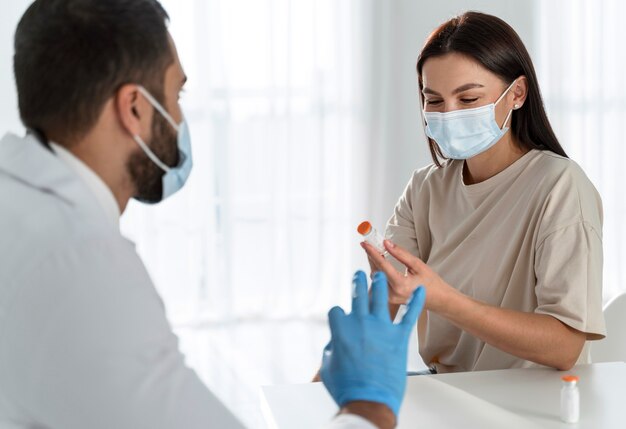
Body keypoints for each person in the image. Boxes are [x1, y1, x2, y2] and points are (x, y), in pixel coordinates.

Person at [0, 1, 425, 428]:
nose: (180, 116)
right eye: (176, 94)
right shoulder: (83, 266)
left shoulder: (19, 205)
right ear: (134, 108)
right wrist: (370, 403)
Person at [362, 11, 606, 375]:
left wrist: (446, 301)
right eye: (435, 101)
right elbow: (382, 313)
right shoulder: (424, 188)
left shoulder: (561, 187)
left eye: (468, 99)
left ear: (517, 94)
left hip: (535, 402)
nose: (448, 114)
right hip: (449, 392)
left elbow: (565, 345)